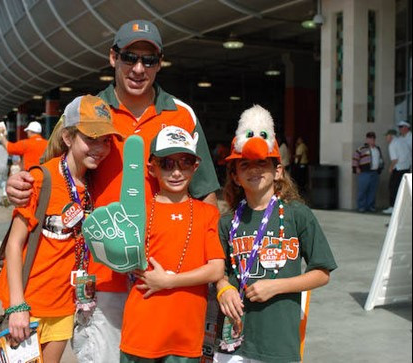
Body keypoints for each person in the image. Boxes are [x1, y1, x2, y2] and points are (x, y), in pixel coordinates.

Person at [5, 19, 220, 362]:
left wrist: (200, 274)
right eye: (129, 57)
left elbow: (206, 194)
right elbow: (52, 166)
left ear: (159, 63)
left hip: (162, 278)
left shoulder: (182, 115)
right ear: (112, 58)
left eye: (148, 60)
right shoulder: (88, 110)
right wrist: (18, 183)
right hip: (101, 279)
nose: (138, 68)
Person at [0, 94, 122, 363]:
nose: (99, 148)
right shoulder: (42, 179)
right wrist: (18, 305)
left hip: (65, 306)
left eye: (105, 140)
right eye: (90, 138)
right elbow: (14, 244)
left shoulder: (91, 186)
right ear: (67, 138)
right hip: (28, 304)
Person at [214, 105, 337, 363]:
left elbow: (322, 273)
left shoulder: (297, 215)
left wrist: (277, 286)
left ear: (278, 171)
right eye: (244, 165)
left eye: (262, 163)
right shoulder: (227, 222)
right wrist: (223, 287)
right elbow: (217, 271)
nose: (254, 170)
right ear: (235, 176)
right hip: (232, 342)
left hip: (278, 342)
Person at [120, 126, 225, 362]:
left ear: (195, 166)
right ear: (151, 167)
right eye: (167, 163)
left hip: (185, 335)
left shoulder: (208, 213)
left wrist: (169, 281)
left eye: (185, 162)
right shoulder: (137, 212)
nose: (176, 172)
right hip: (141, 331)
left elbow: (216, 269)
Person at [352, 131, 384, 213]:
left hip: (375, 172)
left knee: (372, 190)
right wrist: (356, 168)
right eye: (369, 138)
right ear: (366, 139)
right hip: (364, 172)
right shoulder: (361, 149)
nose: (371, 140)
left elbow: (380, 159)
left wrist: (381, 167)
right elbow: (355, 158)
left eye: (373, 138)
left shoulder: (377, 149)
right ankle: (361, 206)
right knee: (362, 189)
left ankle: (371, 206)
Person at [383, 129, 411, 214]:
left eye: (387, 136)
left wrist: (390, 168)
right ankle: (402, 207)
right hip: (406, 168)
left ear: (391, 136)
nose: (386, 138)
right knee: (402, 189)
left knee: (393, 188)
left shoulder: (392, 144)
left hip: (398, 169)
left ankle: (393, 207)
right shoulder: (402, 142)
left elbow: (394, 159)